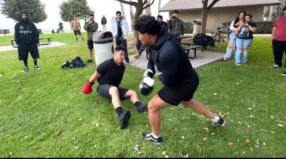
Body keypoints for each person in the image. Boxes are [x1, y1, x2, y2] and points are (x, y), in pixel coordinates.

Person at [134, 15, 226, 144]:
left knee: (152, 106)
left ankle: (156, 137)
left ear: (148, 35)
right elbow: (152, 58)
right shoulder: (155, 40)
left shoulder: (167, 50)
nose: (139, 37)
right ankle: (217, 119)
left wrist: (157, 75)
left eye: (139, 34)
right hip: (187, 79)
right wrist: (148, 73)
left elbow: (169, 82)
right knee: (187, 102)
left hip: (181, 84)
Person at [81, 46, 147, 129]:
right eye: (121, 54)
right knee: (114, 89)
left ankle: (139, 107)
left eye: (124, 55)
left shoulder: (122, 67)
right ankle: (121, 115)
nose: (123, 57)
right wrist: (88, 85)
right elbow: (95, 75)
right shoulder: (107, 64)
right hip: (102, 87)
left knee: (132, 92)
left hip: (114, 89)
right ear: (115, 54)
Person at [272, 6, 286, 76]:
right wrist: (272, 37)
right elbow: (274, 28)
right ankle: (277, 63)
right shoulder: (278, 19)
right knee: (277, 52)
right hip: (277, 40)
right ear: (284, 11)